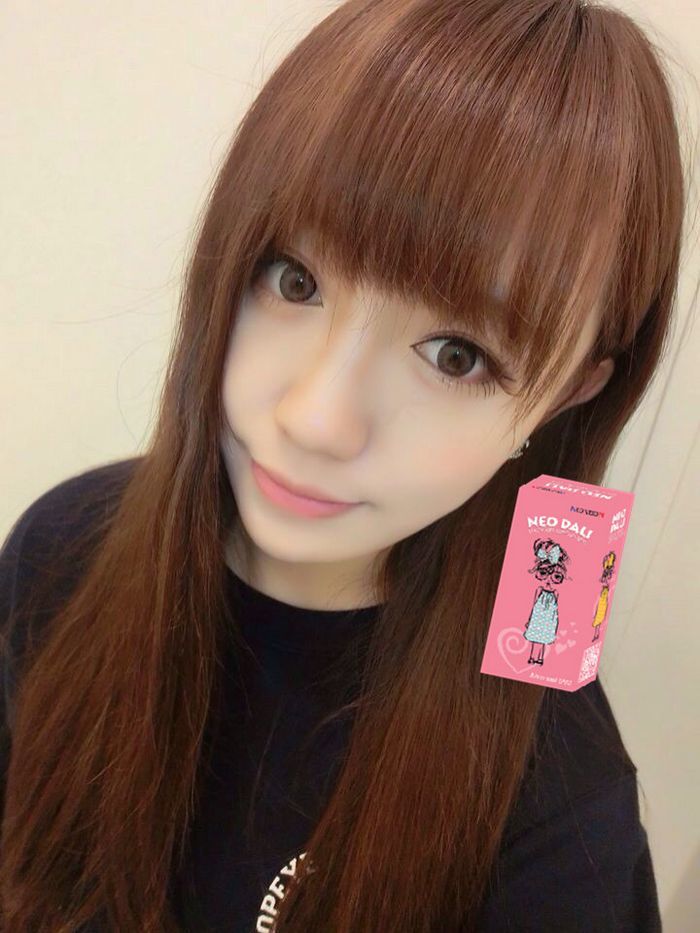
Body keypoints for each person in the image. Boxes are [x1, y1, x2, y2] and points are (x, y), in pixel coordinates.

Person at [0, 0, 683, 929]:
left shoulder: (553, 806)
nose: (316, 419)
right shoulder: (63, 550)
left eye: (456, 355)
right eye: (295, 279)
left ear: (567, 393)